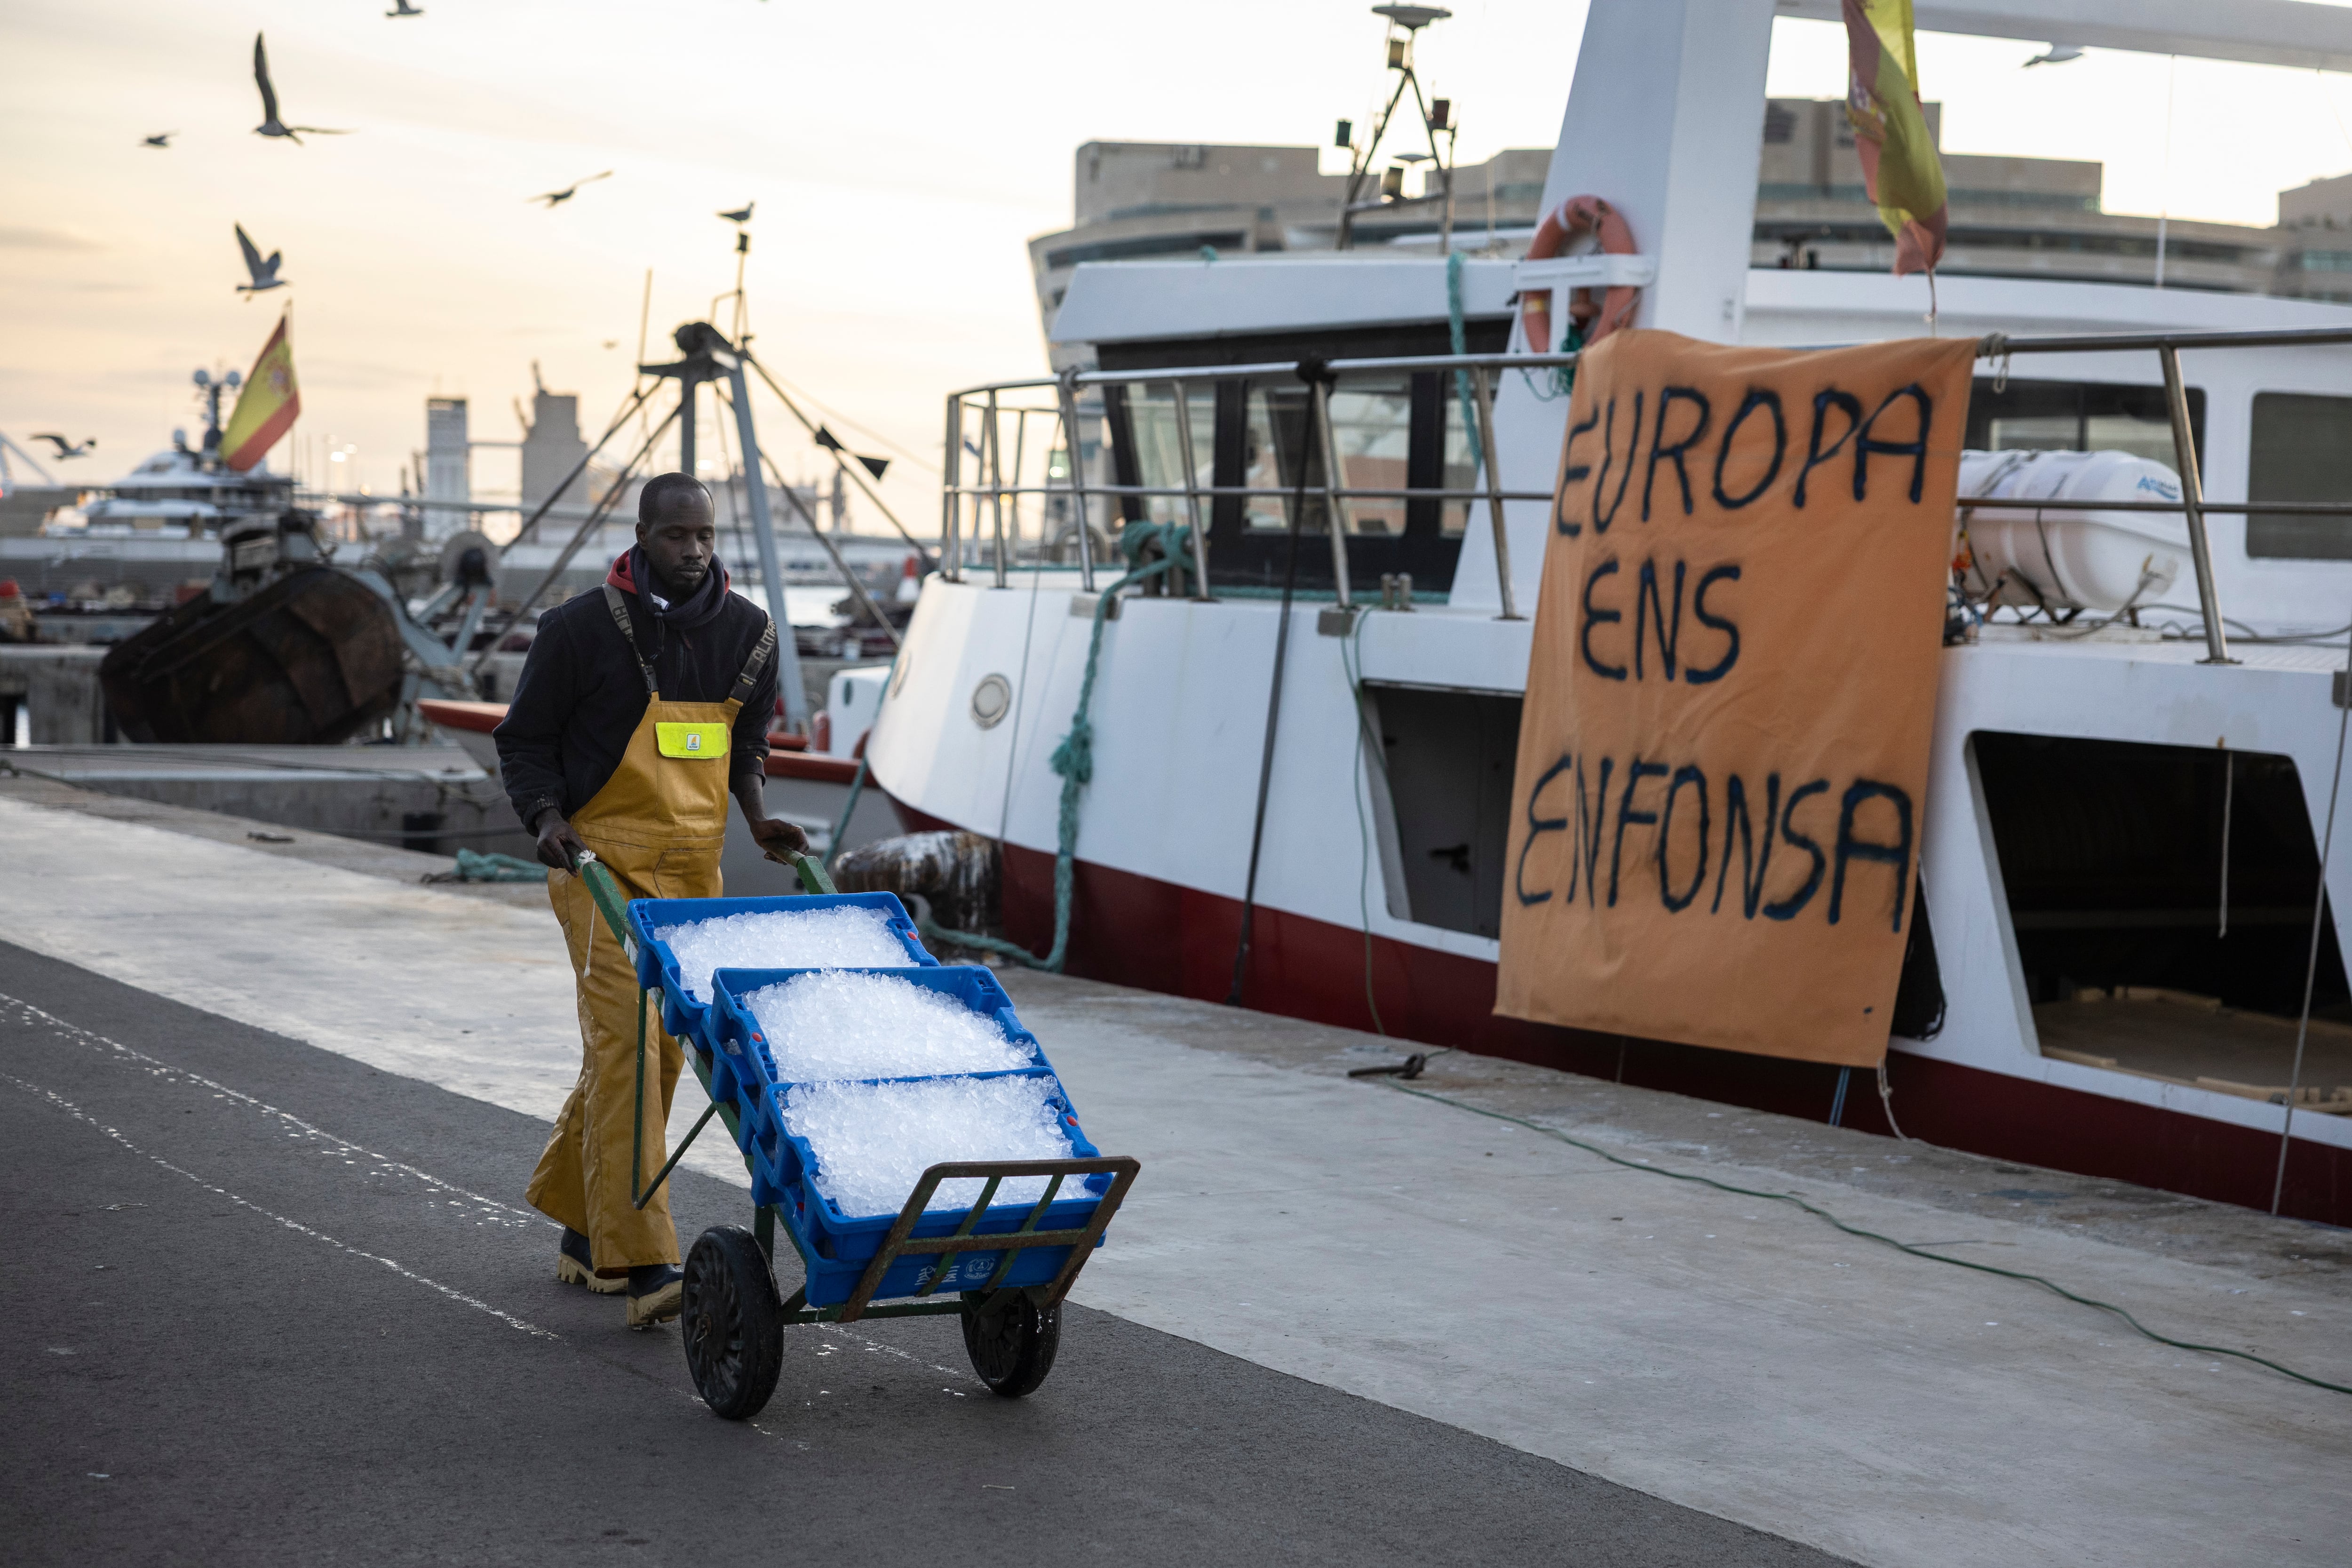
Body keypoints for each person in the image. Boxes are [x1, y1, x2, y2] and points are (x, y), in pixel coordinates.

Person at [495, 472, 808, 1327]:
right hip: (596, 861)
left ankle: (582, 1217)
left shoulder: (750, 632)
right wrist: (546, 816)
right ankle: (642, 1260)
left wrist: (755, 816)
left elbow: (747, 740)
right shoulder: (578, 629)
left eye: (705, 536)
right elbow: (523, 740)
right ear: (641, 536)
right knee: (632, 1040)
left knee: (662, 1051)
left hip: (693, 869)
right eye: (677, 536)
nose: (694, 550)